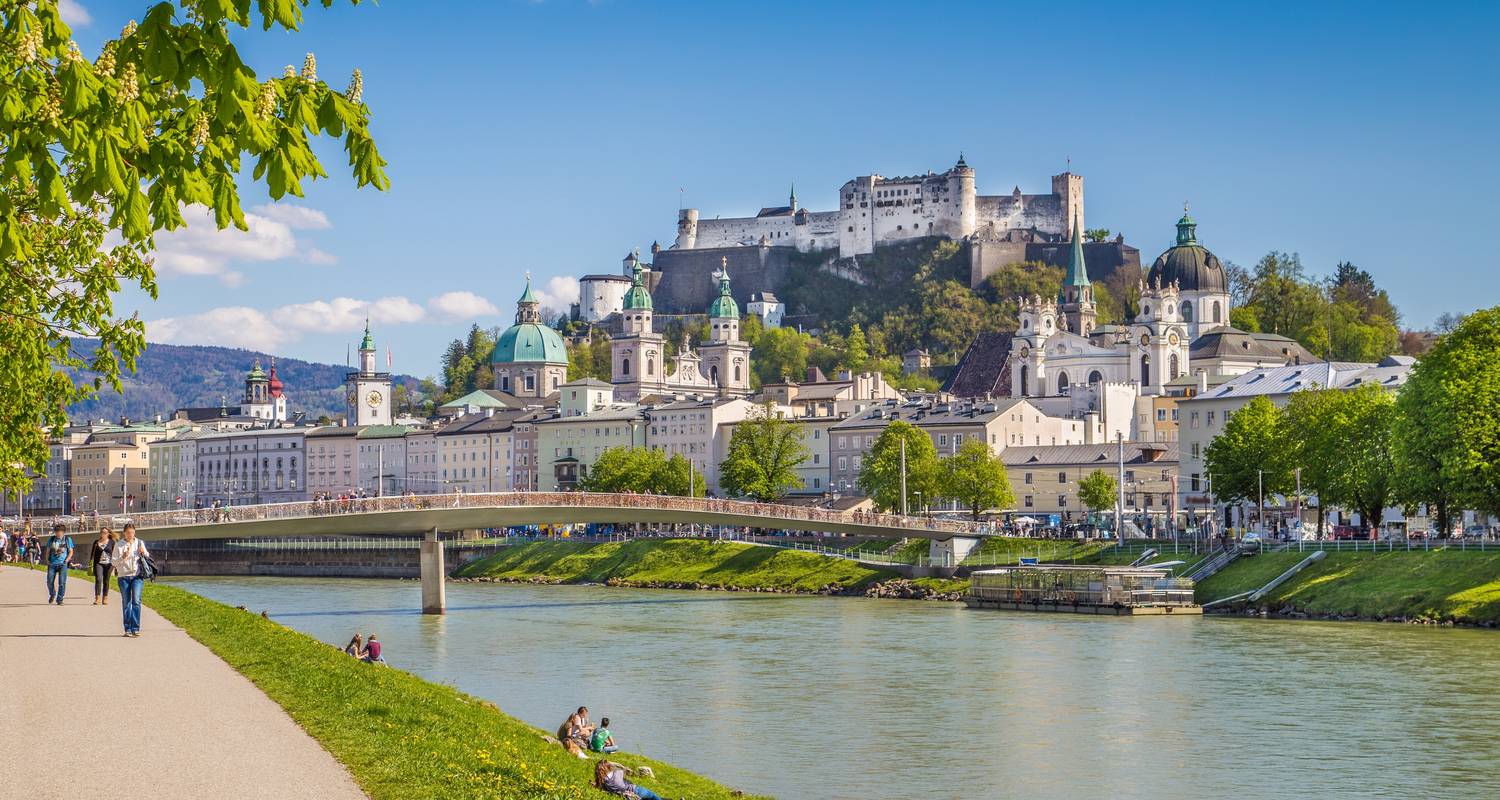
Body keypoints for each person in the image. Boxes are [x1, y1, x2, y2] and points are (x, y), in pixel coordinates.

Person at [113, 524, 151, 637]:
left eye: (133, 533)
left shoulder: (139, 542)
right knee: (126, 603)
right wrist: (123, 557)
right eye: (128, 533)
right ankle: (127, 629)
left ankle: (135, 628)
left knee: (137, 601)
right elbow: (113, 562)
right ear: (124, 533)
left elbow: (147, 555)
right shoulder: (119, 545)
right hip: (123, 577)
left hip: (137, 576)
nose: (131, 535)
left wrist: (143, 553)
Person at [594, 760, 664, 800]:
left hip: (627, 794)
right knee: (654, 796)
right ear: (608, 767)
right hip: (635, 790)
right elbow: (623, 770)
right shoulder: (616, 773)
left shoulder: (603, 781)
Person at [44, 524, 74, 605]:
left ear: (63, 532)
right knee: (49, 581)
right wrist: (47, 560)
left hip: (62, 564)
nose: (58, 533)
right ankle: (52, 593)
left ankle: (60, 599)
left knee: (62, 583)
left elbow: (71, 551)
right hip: (52, 564)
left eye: (60, 532)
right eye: (57, 532)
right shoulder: (52, 539)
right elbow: (47, 551)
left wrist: (66, 560)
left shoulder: (67, 539)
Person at [90, 528, 116, 605]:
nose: (103, 534)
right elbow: (92, 553)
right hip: (98, 563)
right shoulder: (96, 542)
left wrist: (115, 564)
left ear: (108, 534)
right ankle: (97, 598)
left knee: (106, 581)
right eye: (102, 532)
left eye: (105, 532)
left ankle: (105, 598)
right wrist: (90, 562)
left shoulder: (112, 542)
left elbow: (115, 553)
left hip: (109, 564)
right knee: (98, 579)